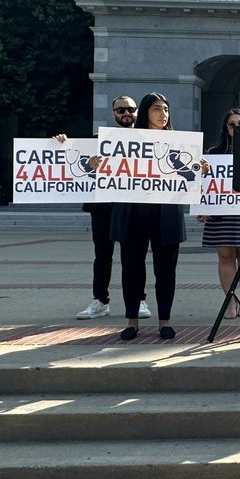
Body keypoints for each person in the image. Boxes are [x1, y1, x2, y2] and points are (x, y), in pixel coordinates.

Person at [109, 93, 206, 342]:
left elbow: (190, 175)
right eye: (156, 109)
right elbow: (105, 163)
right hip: (133, 213)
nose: (163, 114)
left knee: (166, 271)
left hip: (166, 214)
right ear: (144, 112)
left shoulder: (180, 143)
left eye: (166, 109)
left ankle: (165, 321)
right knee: (131, 270)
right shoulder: (126, 140)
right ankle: (132, 321)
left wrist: (200, 167)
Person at [59, 96, 151, 322]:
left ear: (137, 112)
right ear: (113, 113)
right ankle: (100, 300)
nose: (126, 113)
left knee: (135, 256)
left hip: (133, 206)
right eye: (121, 109)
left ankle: (138, 299)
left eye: (130, 109)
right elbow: (74, 159)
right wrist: (61, 143)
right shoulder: (95, 141)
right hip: (103, 206)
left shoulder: (147, 139)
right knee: (102, 255)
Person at [198, 108, 240, 319]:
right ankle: (230, 300)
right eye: (232, 124)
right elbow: (203, 184)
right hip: (220, 213)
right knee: (225, 256)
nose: (237, 127)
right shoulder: (213, 154)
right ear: (226, 128)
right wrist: (202, 206)